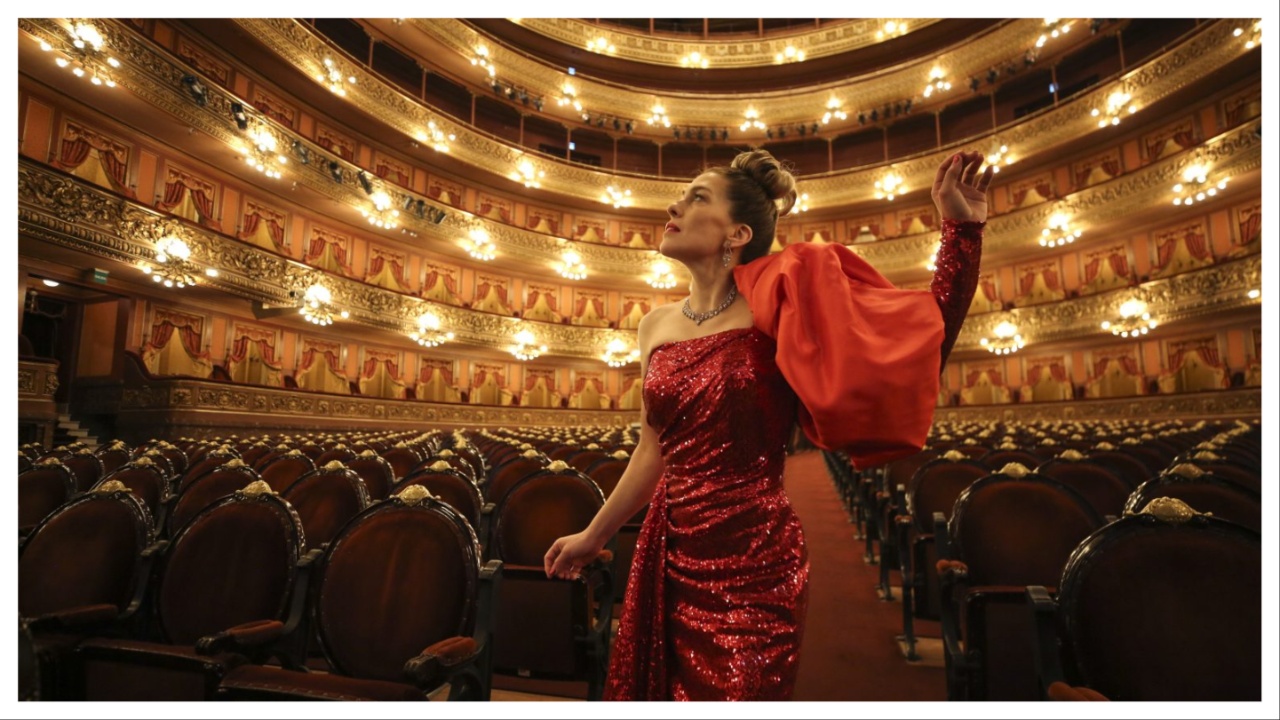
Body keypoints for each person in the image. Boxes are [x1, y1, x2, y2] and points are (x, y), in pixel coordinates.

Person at [545, 149, 992, 701]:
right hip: (670, 551)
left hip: (756, 562)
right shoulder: (654, 326)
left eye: (697, 197)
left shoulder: (780, 301)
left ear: (737, 233)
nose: (673, 203)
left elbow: (921, 336)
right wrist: (595, 534)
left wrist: (962, 231)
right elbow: (652, 448)